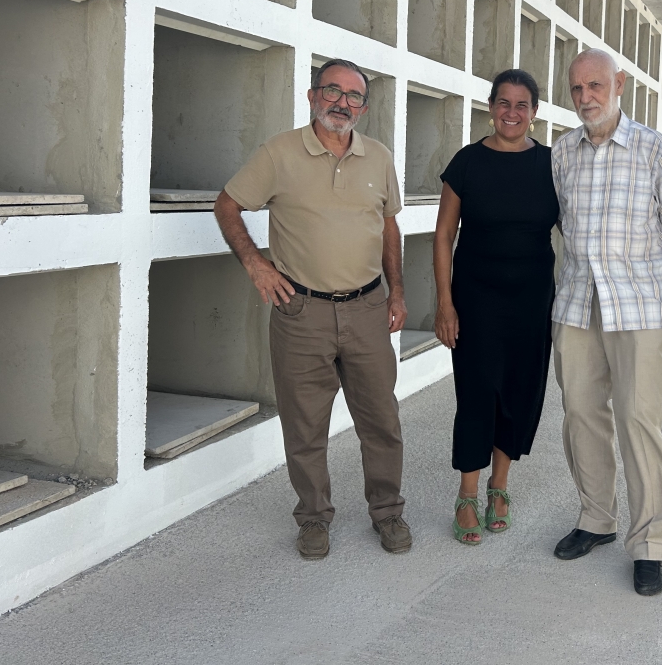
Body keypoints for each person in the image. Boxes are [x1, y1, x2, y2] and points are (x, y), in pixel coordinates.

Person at [214, 59, 413, 560]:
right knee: (305, 426)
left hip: (368, 308)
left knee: (381, 421)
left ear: (364, 108)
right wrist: (257, 266)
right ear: (311, 95)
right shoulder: (279, 153)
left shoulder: (379, 157)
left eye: (353, 96)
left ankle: (387, 512)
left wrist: (397, 291)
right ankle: (313, 519)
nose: (342, 103)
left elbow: (388, 226)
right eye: (332, 90)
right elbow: (227, 205)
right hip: (301, 313)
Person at [550, 49, 662, 596]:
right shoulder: (562, 151)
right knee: (581, 414)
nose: (586, 97)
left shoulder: (652, 147)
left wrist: (648, 274)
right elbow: (562, 222)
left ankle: (651, 544)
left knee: (638, 421)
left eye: (595, 85)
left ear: (619, 85)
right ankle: (596, 519)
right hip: (577, 306)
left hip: (639, 310)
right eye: (577, 87)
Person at [433, 70, 559, 545]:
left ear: (534, 112)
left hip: (532, 300)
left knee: (519, 391)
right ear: (490, 107)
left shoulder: (552, 163)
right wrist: (445, 304)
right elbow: (444, 236)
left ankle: (499, 488)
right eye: (503, 103)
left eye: (522, 104)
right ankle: (467, 493)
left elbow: (575, 228)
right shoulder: (467, 162)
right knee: (477, 391)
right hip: (475, 297)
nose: (512, 112)